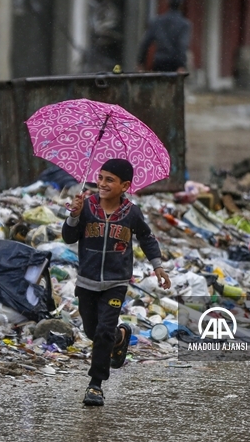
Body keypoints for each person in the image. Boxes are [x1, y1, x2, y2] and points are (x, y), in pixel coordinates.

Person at [62, 158, 171, 406]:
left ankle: (95, 385)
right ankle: (120, 337)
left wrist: (158, 266)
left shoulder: (131, 213)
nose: (102, 183)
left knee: (103, 332)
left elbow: (147, 238)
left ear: (125, 186)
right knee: (92, 331)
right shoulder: (86, 207)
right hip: (87, 282)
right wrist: (74, 216)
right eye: (100, 178)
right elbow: (69, 237)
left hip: (116, 283)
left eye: (109, 180)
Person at [137, 0, 191, 73]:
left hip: (160, 61)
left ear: (168, 4)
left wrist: (140, 62)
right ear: (181, 5)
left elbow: (145, 43)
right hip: (175, 64)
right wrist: (182, 65)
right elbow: (182, 45)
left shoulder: (157, 22)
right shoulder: (184, 24)